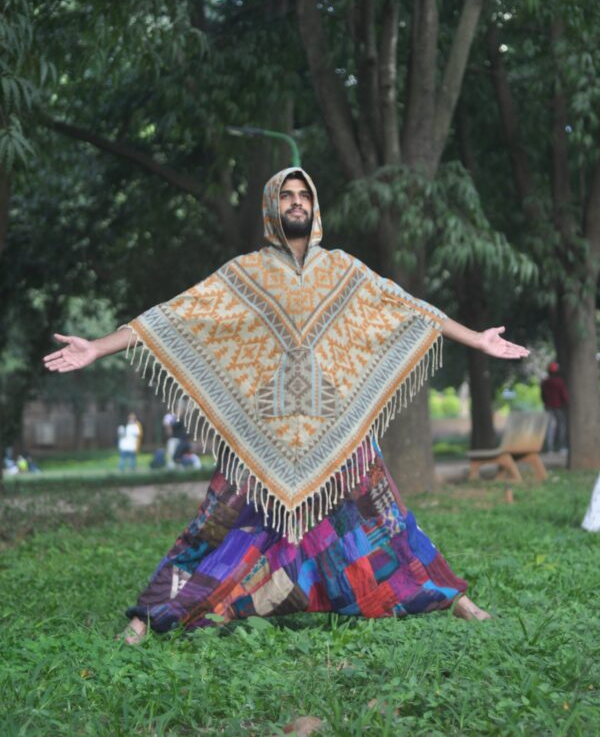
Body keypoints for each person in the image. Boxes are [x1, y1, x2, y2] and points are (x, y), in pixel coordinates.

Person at [43, 168, 529, 644]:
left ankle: (453, 599)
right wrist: (98, 347)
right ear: (271, 207)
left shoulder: (344, 270)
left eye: (304, 195)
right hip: (262, 436)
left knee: (387, 524)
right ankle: (149, 617)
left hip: (340, 430)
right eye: (286, 195)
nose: (296, 201)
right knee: (216, 527)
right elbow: (173, 317)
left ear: (314, 207)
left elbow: (409, 309)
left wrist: (477, 339)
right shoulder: (245, 274)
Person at [541, 361, 569, 453]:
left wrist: (546, 403)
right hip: (559, 407)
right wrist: (566, 403)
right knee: (561, 426)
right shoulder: (559, 381)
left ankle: (549, 448)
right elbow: (564, 395)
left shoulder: (545, 382)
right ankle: (561, 447)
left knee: (550, 427)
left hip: (548, 407)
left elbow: (543, 396)